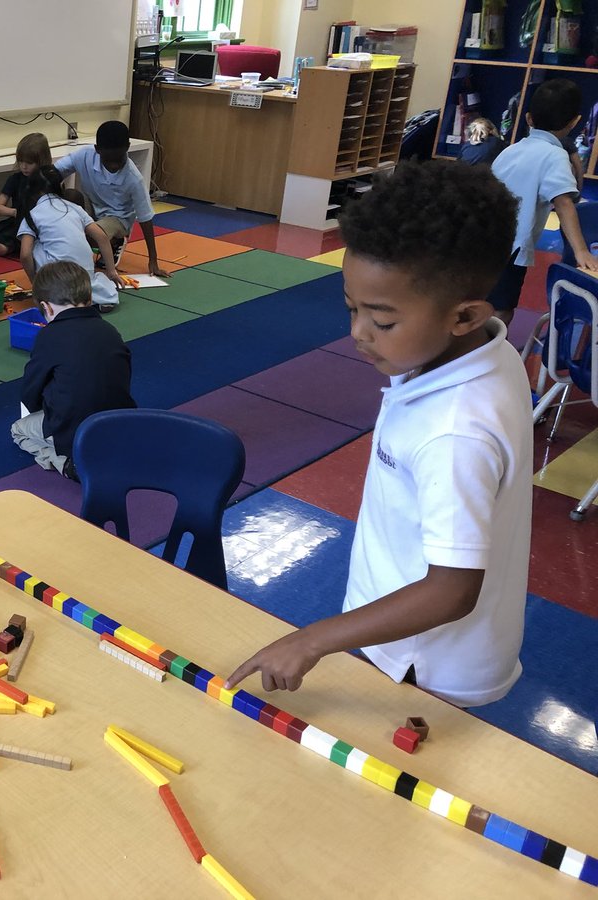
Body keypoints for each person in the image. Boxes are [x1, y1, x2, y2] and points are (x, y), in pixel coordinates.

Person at [227, 160, 532, 709]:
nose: (357, 334)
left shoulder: (456, 429)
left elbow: (452, 589)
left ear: (463, 316)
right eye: (351, 308)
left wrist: (312, 639)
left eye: (382, 321)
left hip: (422, 660)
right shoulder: (482, 349)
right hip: (402, 631)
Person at [12, 260, 135, 480]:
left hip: (75, 432)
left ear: (46, 307)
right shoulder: (110, 330)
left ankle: (66, 464)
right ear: (89, 299)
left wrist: (41, 408)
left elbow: (30, 392)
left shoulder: (49, 335)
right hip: (119, 423)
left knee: (19, 430)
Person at [489, 78, 598, 325]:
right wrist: (581, 252)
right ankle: (487, 351)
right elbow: (564, 203)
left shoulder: (511, 150)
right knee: (502, 308)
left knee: (477, 297)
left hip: (480, 236)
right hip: (511, 244)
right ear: (574, 122)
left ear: (528, 118)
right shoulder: (555, 156)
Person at [54, 120, 168, 278]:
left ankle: (116, 241)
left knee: (93, 236)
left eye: (118, 159)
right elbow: (54, 173)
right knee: (70, 196)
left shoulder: (134, 179)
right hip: (91, 208)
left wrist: (153, 260)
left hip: (118, 218)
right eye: (108, 160)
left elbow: (145, 218)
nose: (113, 165)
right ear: (97, 150)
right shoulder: (84, 155)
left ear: (127, 148)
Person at [18, 164, 122, 311]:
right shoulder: (75, 208)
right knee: (92, 281)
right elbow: (102, 238)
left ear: (34, 191)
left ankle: (53, 295)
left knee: (33, 244)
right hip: (85, 276)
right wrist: (112, 272)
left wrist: (35, 285)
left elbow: (25, 254)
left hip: (56, 277)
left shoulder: (33, 214)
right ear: (61, 186)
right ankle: (100, 296)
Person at [0, 132, 52, 257]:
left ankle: (25, 247)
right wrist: (15, 212)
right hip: (18, 222)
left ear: (42, 161)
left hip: (40, 223)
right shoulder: (15, 179)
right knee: (8, 236)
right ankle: (14, 246)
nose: (24, 166)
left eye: (29, 163)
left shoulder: (48, 180)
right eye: (21, 161)